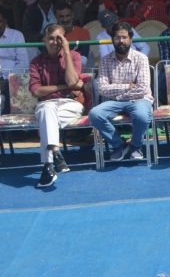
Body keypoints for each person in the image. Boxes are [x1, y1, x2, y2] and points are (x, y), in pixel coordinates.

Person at [88, 21, 153, 162]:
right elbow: (102, 88)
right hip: (115, 102)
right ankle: (119, 145)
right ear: (112, 40)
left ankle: (136, 146)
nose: (121, 41)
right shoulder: (105, 61)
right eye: (117, 38)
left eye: (124, 37)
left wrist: (116, 90)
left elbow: (142, 88)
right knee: (95, 114)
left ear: (131, 39)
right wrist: (127, 86)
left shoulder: (141, 58)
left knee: (142, 116)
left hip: (139, 100)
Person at [30, 23, 85, 187]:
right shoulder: (36, 62)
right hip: (46, 104)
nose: (55, 42)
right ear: (44, 40)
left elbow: (72, 81)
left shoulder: (74, 56)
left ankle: (49, 163)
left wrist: (66, 51)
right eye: (51, 38)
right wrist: (64, 86)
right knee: (47, 111)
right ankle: (51, 159)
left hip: (70, 104)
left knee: (46, 118)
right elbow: (36, 91)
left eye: (59, 38)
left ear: (65, 39)